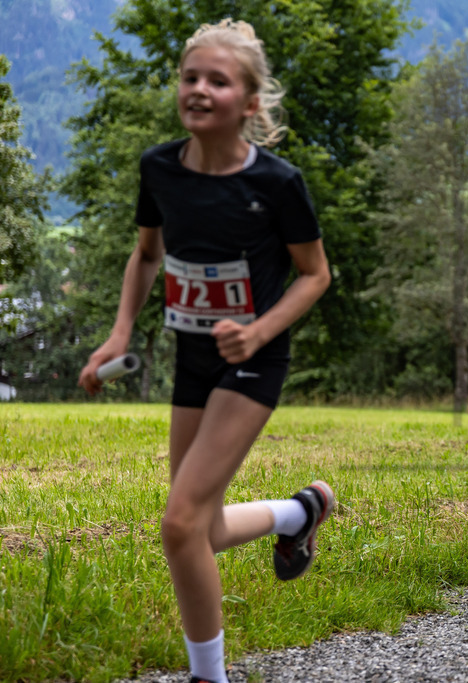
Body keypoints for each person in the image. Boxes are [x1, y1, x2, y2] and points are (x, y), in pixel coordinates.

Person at [77, 19, 333, 683]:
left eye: (217, 81)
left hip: (253, 359)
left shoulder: (277, 182)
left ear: (249, 103)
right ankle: (301, 511)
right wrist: (121, 331)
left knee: (178, 523)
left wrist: (258, 330)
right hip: (192, 358)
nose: (198, 89)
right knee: (200, 528)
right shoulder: (159, 168)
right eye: (190, 77)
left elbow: (315, 274)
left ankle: (208, 676)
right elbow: (145, 254)